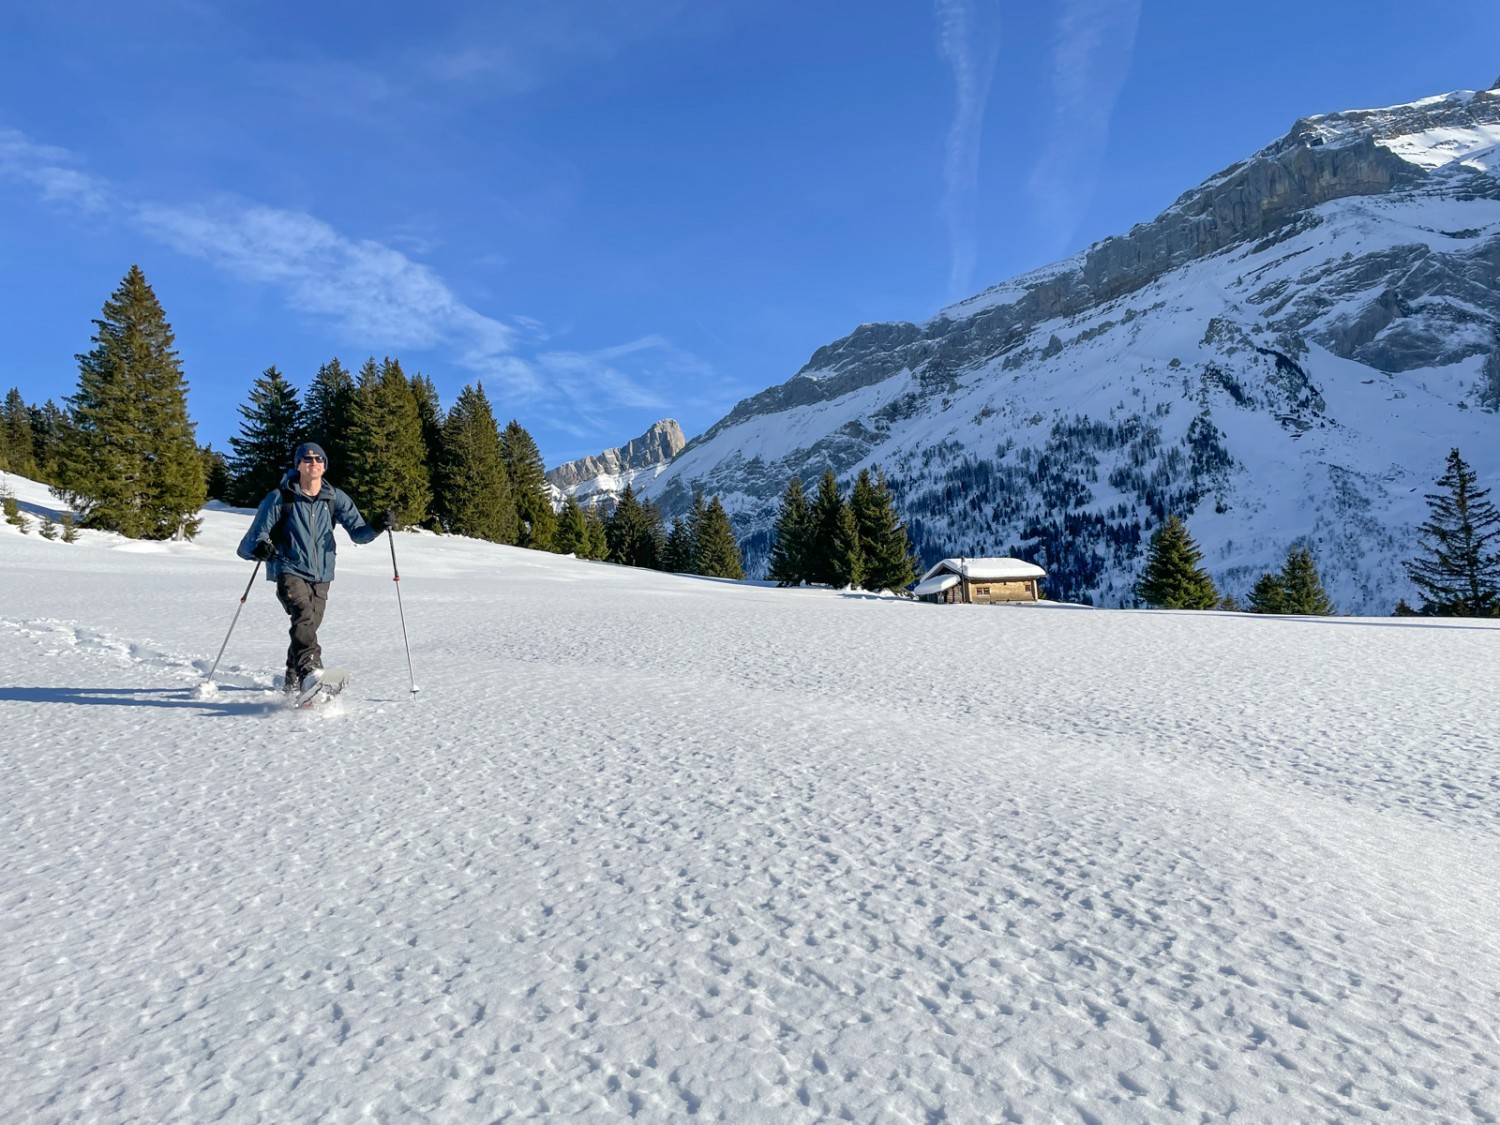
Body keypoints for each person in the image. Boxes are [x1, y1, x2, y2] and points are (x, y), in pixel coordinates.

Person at [236, 442, 393, 693]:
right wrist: (261, 548)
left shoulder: (334, 497)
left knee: (306, 626)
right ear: (297, 465)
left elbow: (359, 535)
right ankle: (311, 671)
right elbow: (249, 543)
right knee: (303, 615)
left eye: (319, 459)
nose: (313, 463)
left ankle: (294, 680)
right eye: (307, 459)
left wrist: (376, 525)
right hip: (288, 569)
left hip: (323, 575)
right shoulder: (280, 497)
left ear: (325, 465)